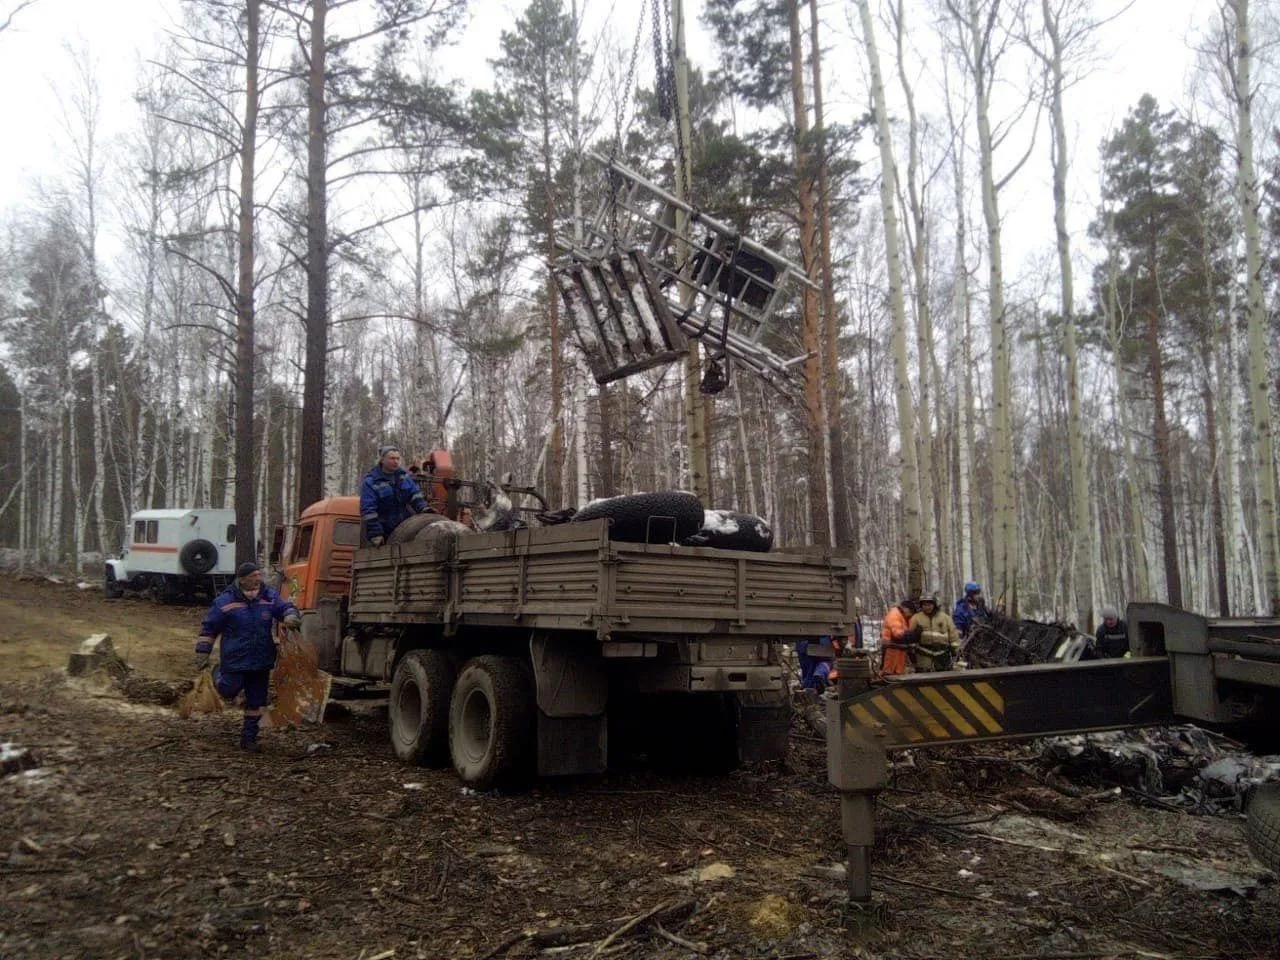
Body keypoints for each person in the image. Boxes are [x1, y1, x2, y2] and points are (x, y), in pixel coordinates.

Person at [194, 562, 300, 752]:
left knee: (256, 701)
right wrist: (203, 652)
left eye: (259, 575)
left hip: (261, 659)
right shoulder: (225, 602)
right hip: (235, 659)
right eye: (253, 576)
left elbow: (285, 607)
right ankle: (217, 673)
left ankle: (249, 739)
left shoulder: (269, 597)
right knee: (228, 689)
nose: (258, 579)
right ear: (242, 580)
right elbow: (209, 628)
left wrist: (290, 616)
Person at [360, 445, 429, 545]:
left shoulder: (404, 477)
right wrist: (376, 533)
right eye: (392, 458)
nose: (396, 461)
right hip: (384, 532)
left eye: (398, 458)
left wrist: (423, 508)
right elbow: (368, 510)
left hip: (405, 527)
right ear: (382, 460)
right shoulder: (371, 482)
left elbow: (415, 495)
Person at [908, 592, 961, 672]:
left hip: (942, 654)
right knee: (923, 679)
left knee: (944, 678)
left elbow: (954, 636)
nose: (927, 607)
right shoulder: (916, 618)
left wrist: (956, 651)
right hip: (923, 654)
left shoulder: (945, 617)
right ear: (921, 606)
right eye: (924, 605)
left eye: (929, 605)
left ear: (934, 604)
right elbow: (909, 637)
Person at [879, 598, 919, 676]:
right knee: (888, 671)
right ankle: (882, 685)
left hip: (899, 648)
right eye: (911, 612)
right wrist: (911, 634)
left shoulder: (904, 616)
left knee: (898, 672)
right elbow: (897, 633)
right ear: (905, 609)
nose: (911, 614)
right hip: (891, 648)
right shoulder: (894, 614)